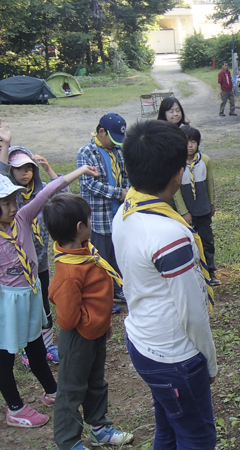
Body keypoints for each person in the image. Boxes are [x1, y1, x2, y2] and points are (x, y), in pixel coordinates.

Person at [112, 120, 218, 449]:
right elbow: (192, 314)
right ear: (178, 174)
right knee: (198, 437)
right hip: (176, 357)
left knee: (170, 429)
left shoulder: (125, 211)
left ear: (129, 168)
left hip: (144, 342)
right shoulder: (169, 235)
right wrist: (210, 362)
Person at [0, 119, 98, 428]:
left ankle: (52, 391)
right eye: (4, 203)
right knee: (5, 354)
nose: (13, 205)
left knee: (35, 345)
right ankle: (15, 407)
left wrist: (79, 171)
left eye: (14, 199)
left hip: (30, 293)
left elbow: (50, 191)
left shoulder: (24, 216)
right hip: (7, 301)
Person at [44, 193, 134, 450]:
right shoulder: (70, 270)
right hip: (78, 338)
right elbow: (68, 319)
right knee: (71, 390)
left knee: (96, 381)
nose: (91, 223)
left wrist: (100, 323)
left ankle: (99, 428)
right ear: (79, 228)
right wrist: (92, 322)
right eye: (89, 220)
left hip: (95, 332)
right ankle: (68, 442)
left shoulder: (86, 253)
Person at [0, 144, 67, 366]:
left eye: (29, 167)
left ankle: (47, 346)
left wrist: (49, 169)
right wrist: (5, 146)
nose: (25, 173)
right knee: (23, 313)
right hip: (16, 272)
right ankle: (29, 350)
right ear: (10, 171)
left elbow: (63, 195)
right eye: (19, 169)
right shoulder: (11, 199)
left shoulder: (40, 192)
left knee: (44, 308)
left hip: (40, 264)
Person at [76, 113, 129, 313]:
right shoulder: (87, 152)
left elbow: (124, 175)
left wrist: (127, 191)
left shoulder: (117, 151)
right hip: (99, 218)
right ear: (101, 132)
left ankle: (118, 289)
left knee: (118, 255)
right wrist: (119, 192)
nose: (115, 143)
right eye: (112, 138)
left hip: (119, 214)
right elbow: (90, 185)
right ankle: (103, 298)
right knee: (100, 258)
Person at [173, 125, 220, 286]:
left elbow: (209, 183)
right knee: (189, 242)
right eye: (186, 142)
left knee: (207, 240)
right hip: (188, 212)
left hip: (203, 209)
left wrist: (211, 204)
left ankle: (210, 270)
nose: (190, 146)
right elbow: (176, 190)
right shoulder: (177, 164)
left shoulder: (204, 160)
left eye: (193, 142)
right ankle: (194, 272)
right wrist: (184, 212)